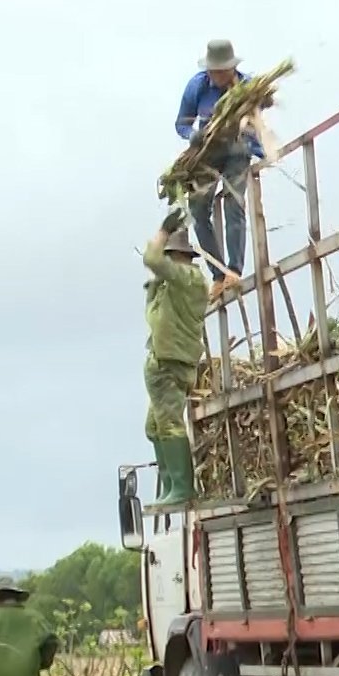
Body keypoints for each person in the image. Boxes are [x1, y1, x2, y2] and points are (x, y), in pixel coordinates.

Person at [174, 39, 264, 297]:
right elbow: (181, 123)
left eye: (223, 71)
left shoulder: (246, 86)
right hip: (208, 150)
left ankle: (234, 269)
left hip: (238, 147)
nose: (219, 76)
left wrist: (251, 137)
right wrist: (192, 135)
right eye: (215, 72)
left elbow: (258, 119)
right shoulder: (197, 86)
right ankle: (218, 272)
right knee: (198, 209)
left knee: (233, 201)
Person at [142, 208, 208, 505]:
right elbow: (154, 317)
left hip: (172, 364)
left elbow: (151, 259)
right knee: (155, 427)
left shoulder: (189, 279)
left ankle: (181, 488)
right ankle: (171, 485)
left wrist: (162, 231)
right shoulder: (174, 285)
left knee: (169, 424)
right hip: (163, 363)